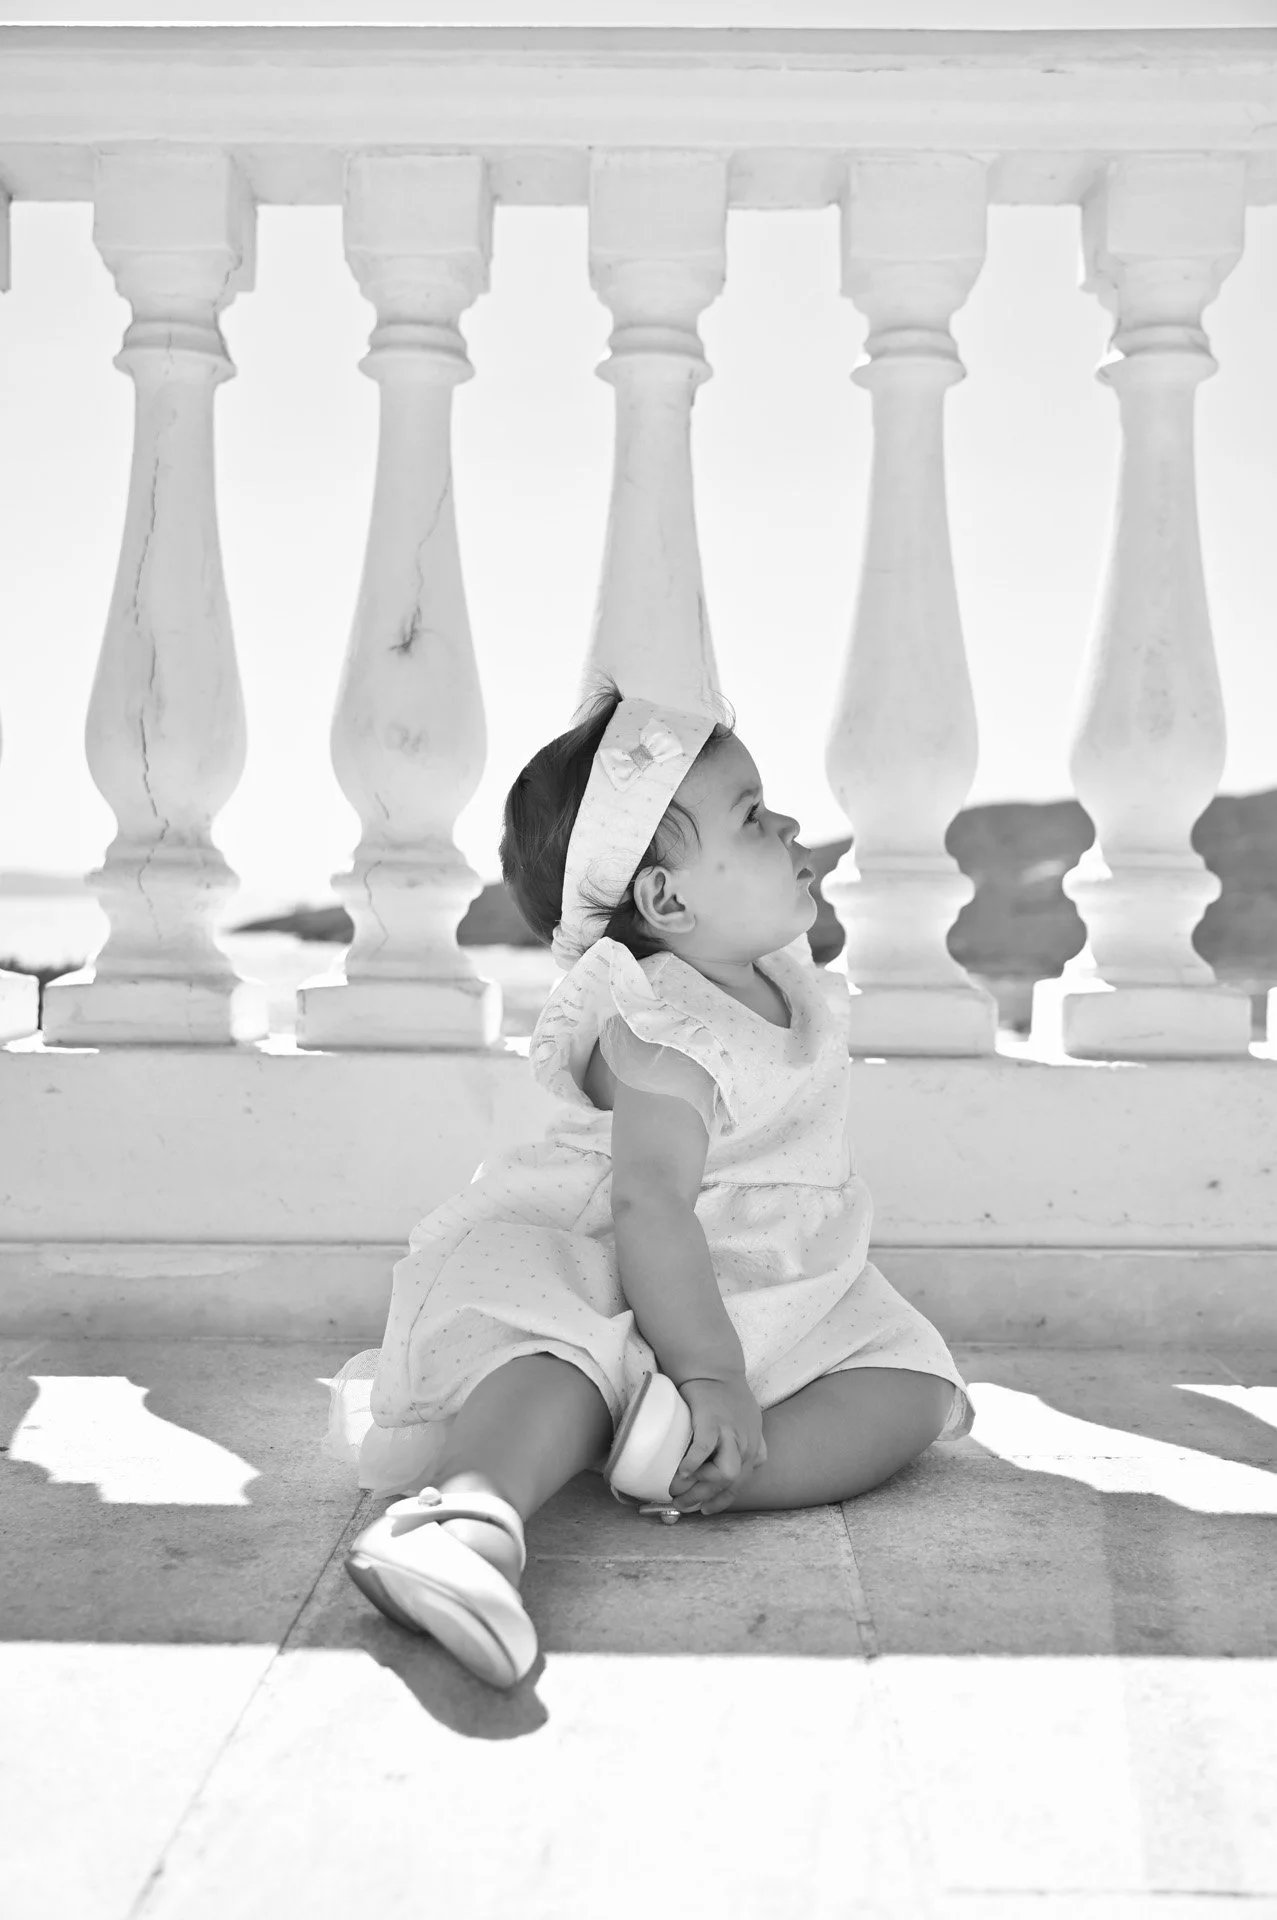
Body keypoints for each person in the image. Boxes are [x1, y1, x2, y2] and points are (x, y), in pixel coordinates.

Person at [327, 683, 974, 1689]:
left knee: (912, 1390)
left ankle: (689, 1462)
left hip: (768, 1278)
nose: (791, 822)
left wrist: (717, 1371)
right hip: (617, 1261)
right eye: (753, 817)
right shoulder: (661, 1022)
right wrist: (710, 1372)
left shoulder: (771, 972)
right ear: (668, 905)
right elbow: (648, 1208)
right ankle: (466, 1521)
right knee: (561, 1359)